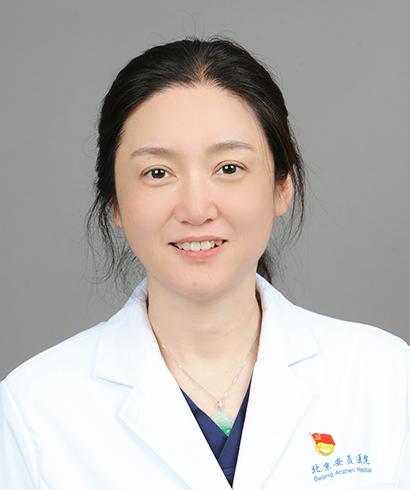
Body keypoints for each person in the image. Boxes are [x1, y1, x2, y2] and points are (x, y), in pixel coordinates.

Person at [0, 37, 409, 489]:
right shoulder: (32, 408)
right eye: (158, 173)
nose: (196, 209)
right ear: (114, 202)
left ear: (281, 187)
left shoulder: (387, 378)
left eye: (229, 168)